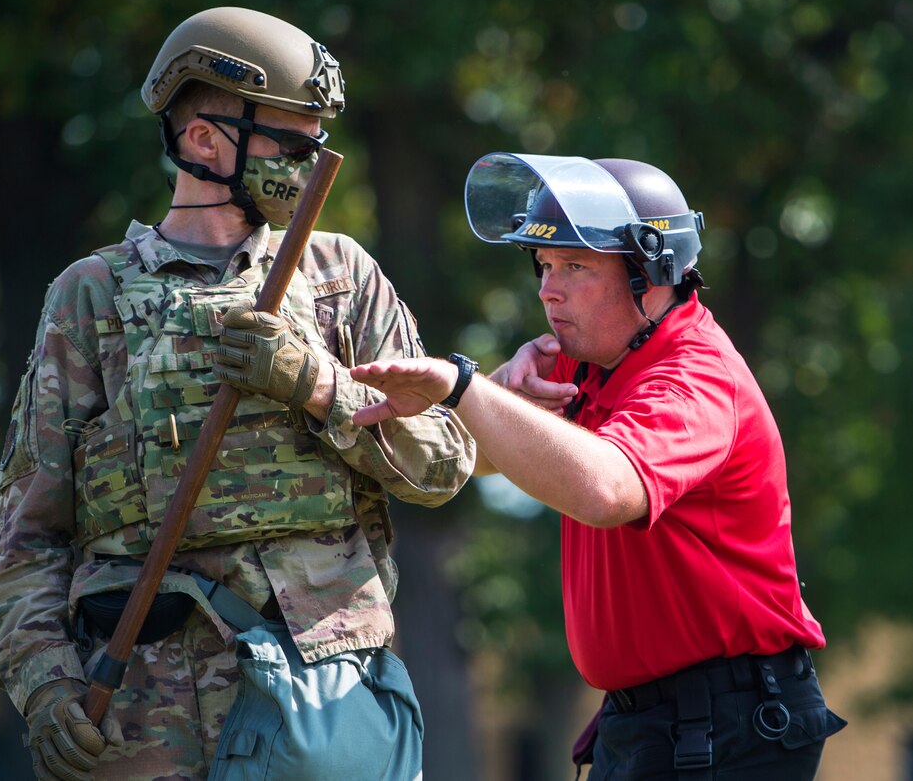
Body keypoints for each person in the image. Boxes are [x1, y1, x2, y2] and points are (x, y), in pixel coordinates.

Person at [0, 6, 473, 780]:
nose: (308, 164)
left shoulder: (340, 277)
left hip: (320, 705)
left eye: (315, 144)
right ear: (203, 140)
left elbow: (443, 467)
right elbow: (27, 535)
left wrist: (318, 387)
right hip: (143, 717)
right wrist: (45, 684)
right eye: (288, 142)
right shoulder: (92, 297)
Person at [350, 153, 846, 780]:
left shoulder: (692, 378)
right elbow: (477, 462)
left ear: (654, 273)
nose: (547, 289)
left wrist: (467, 390)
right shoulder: (590, 359)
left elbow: (605, 489)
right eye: (546, 264)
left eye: (576, 266)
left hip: (729, 724)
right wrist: (499, 391)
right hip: (659, 724)